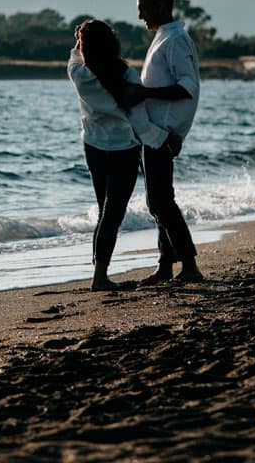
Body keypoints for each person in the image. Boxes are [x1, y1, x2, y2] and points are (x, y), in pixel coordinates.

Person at [68, 19, 182, 291]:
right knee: (113, 212)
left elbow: (75, 54)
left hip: (93, 147)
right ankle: (99, 278)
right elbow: (140, 123)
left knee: (105, 212)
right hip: (123, 150)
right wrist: (165, 139)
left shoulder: (78, 74)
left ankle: (99, 273)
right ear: (112, 44)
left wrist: (80, 37)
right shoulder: (126, 76)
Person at [134, 0, 205, 284]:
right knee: (159, 201)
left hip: (162, 134)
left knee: (160, 202)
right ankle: (166, 265)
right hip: (153, 132)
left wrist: (143, 94)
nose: (140, 15)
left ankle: (189, 265)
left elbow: (187, 87)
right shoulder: (164, 36)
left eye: (144, 8)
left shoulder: (175, 40)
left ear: (161, 5)